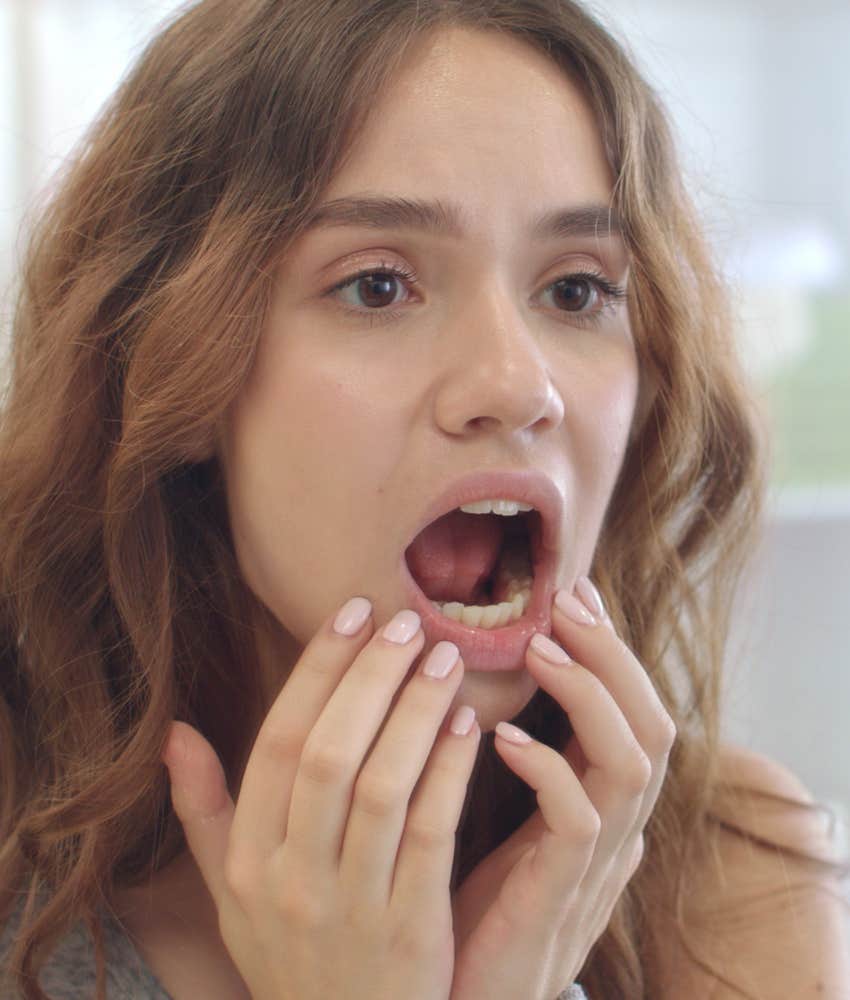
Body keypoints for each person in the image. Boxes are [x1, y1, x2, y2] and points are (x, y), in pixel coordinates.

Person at [1, 0, 847, 997]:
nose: (515, 384)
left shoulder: (727, 877)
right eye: (376, 285)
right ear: (173, 368)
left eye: (575, 290)